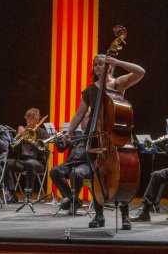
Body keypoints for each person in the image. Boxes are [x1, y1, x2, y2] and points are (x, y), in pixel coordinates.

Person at [64, 54, 145, 230]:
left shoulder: (117, 84)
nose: (98, 67)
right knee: (96, 175)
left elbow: (140, 72)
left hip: (113, 137)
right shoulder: (89, 91)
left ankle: (125, 216)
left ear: (109, 66)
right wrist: (68, 133)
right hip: (94, 136)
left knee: (120, 174)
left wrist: (118, 61)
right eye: (96, 65)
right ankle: (99, 216)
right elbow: (79, 114)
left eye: (101, 64)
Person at [49, 109, 91, 214]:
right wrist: (59, 142)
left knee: (75, 173)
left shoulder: (93, 133)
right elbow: (61, 150)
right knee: (54, 171)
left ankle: (72, 202)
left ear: (90, 120)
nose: (81, 122)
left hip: (86, 164)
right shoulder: (73, 133)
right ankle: (73, 200)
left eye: (83, 119)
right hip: (70, 163)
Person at [4, 108, 49, 203]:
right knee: (7, 163)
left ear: (37, 120)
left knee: (30, 163)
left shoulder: (43, 133)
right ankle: (12, 194)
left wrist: (31, 140)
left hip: (38, 162)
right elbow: (15, 150)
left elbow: (44, 150)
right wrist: (18, 137)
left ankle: (28, 195)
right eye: (27, 119)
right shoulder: (25, 132)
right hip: (23, 161)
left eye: (31, 119)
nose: (28, 122)